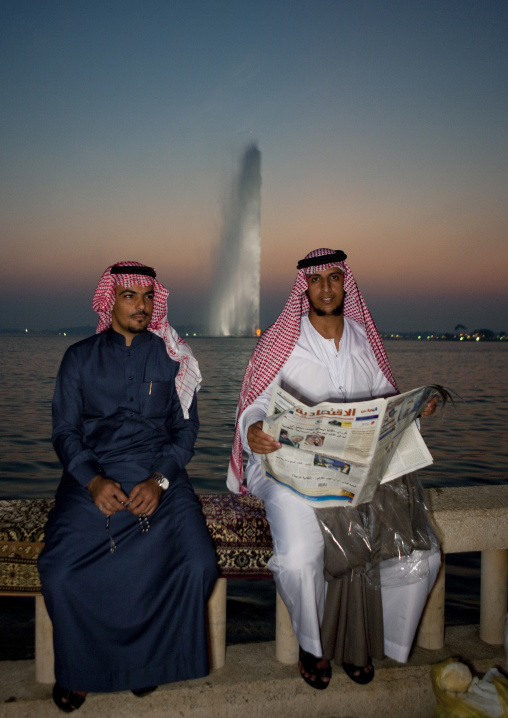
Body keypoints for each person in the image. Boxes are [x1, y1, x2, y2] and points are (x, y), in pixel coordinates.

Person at [228, 248, 441, 690]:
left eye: (334, 278)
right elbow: (254, 406)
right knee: (301, 554)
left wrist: (416, 409)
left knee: (422, 551)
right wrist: (253, 432)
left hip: (355, 467)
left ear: (346, 283)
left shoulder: (363, 338)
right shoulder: (282, 342)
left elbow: (385, 398)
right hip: (285, 466)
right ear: (303, 288)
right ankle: (313, 645)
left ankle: (378, 639)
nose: (325, 288)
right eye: (316, 280)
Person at [39, 261, 219, 712]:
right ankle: (79, 670)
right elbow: (64, 432)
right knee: (59, 570)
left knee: (198, 564)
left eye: (147, 297)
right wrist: (92, 479)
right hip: (91, 476)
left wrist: (160, 481)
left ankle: (149, 663)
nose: (141, 305)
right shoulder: (78, 358)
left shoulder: (174, 358)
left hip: (161, 476)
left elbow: (186, 432)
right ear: (110, 300)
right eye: (130, 296)